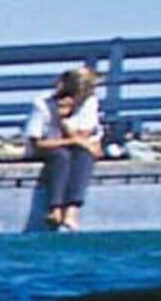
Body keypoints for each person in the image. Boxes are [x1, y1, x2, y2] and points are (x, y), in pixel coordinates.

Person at [25, 66, 104, 232]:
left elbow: (83, 135)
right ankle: (55, 208)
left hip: (74, 145)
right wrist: (72, 139)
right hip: (48, 148)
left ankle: (71, 210)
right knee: (61, 157)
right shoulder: (42, 103)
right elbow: (37, 142)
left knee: (83, 156)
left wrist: (64, 123)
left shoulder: (89, 102)